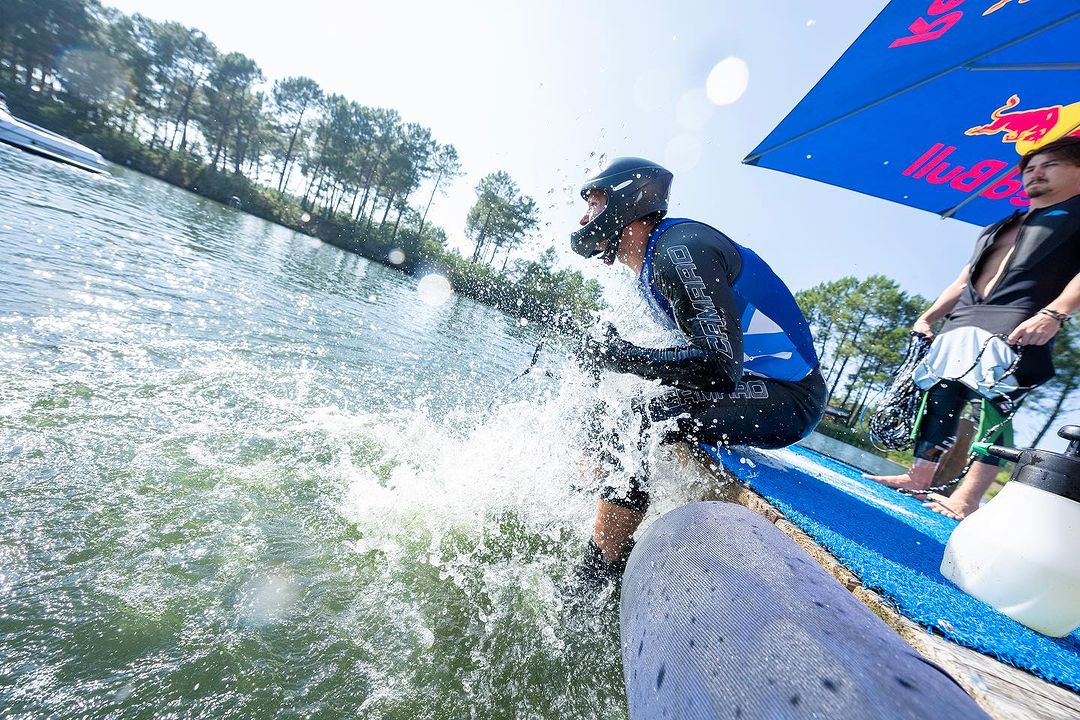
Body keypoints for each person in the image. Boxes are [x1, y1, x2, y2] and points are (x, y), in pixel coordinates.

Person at [568, 157, 826, 590]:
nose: (583, 218)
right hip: (754, 383)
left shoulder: (678, 252)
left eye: (593, 204)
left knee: (643, 415)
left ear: (623, 204)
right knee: (616, 401)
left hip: (790, 397)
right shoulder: (659, 256)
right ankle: (598, 506)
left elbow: (718, 367)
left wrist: (622, 354)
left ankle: (602, 566)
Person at [867, 136, 1080, 519]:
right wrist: (928, 316)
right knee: (939, 400)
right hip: (966, 316)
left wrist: (1055, 313)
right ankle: (918, 476)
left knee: (997, 408)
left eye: (1049, 165)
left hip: (1020, 315)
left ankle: (967, 498)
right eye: (1030, 168)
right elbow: (963, 278)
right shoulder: (1004, 223)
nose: (1035, 173)